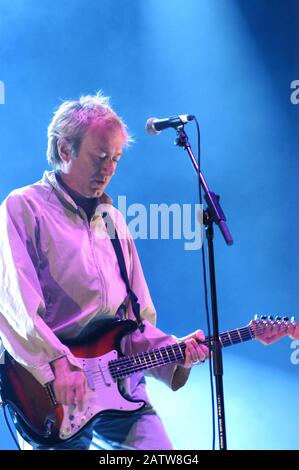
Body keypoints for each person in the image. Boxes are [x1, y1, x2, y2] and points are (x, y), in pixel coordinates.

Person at [0, 92, 208, 450]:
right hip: (49, 391)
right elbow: (15, 305)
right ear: (65, 151)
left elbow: (135, 320)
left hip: (120, 387)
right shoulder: (23, 208)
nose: (109, 168)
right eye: (99, 157)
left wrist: (176, 355)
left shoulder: (113, 221)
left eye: (115, 158)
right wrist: (56, 363)